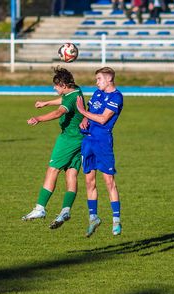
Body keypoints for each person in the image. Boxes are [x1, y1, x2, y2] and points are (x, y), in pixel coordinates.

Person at [22, 67, 84, 230]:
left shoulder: (70, 99)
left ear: (63, 85)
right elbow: (64, 100)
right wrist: (46, 102)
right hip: (81, 138)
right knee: (71, 172)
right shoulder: (76, 90)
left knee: (52, 170)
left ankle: (40, 208)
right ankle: (65, 210)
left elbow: (59, 112)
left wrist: (38, 118)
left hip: (68, 139)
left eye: (56, 86)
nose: (54, 88)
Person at [75, 67, 123, 237]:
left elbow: (103, 118)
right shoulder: (96, 93)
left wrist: (82, 111)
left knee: (109, 181)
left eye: (99, 79)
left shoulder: (116, 97)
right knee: (89, 181)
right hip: (88, 141)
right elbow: (90, 113)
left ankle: (116, 220)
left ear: (109, 79)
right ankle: (93, 217)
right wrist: (84, 119)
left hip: (102, 142)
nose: (97, 82)